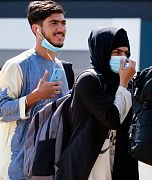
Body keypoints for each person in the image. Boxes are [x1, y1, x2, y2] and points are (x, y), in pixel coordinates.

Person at [0, 1, 69, 179]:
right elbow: (0, 111)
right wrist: (35, 97)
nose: (61, 29)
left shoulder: (59, 67)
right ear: (37, 29)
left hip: (48, 168)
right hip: (16, 169)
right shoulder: (16, 65)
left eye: (63, 23)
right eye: (54, 23)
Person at [56, 27, 138, 180]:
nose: (123, 58)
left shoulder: (123, 83)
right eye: (117, 52)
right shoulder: (89, 80)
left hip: (118, 167)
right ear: (102, 51)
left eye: (126, 53)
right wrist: (124, 84)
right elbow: (113, 119)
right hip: (86, 169)